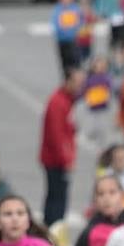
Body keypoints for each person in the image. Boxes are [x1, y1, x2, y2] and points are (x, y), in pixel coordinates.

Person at [39, 67, 85, 228]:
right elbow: (56, 136)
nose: (81, 86)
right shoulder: (58, 103)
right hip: (56, 160)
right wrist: (66, 160)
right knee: (58, 200)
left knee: (54, 196)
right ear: (68, 81)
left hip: (54, 158)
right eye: (78, 82)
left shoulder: (65, 100)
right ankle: (53, 231)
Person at [52, 0, 87, 76]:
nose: (66, 0)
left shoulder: (75, 9)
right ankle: (67, 79)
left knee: (75, 62)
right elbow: (56, 24)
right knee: (65, 63)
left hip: (74, 40)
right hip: (62, 40)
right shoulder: (58, 9)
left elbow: (81, 22)